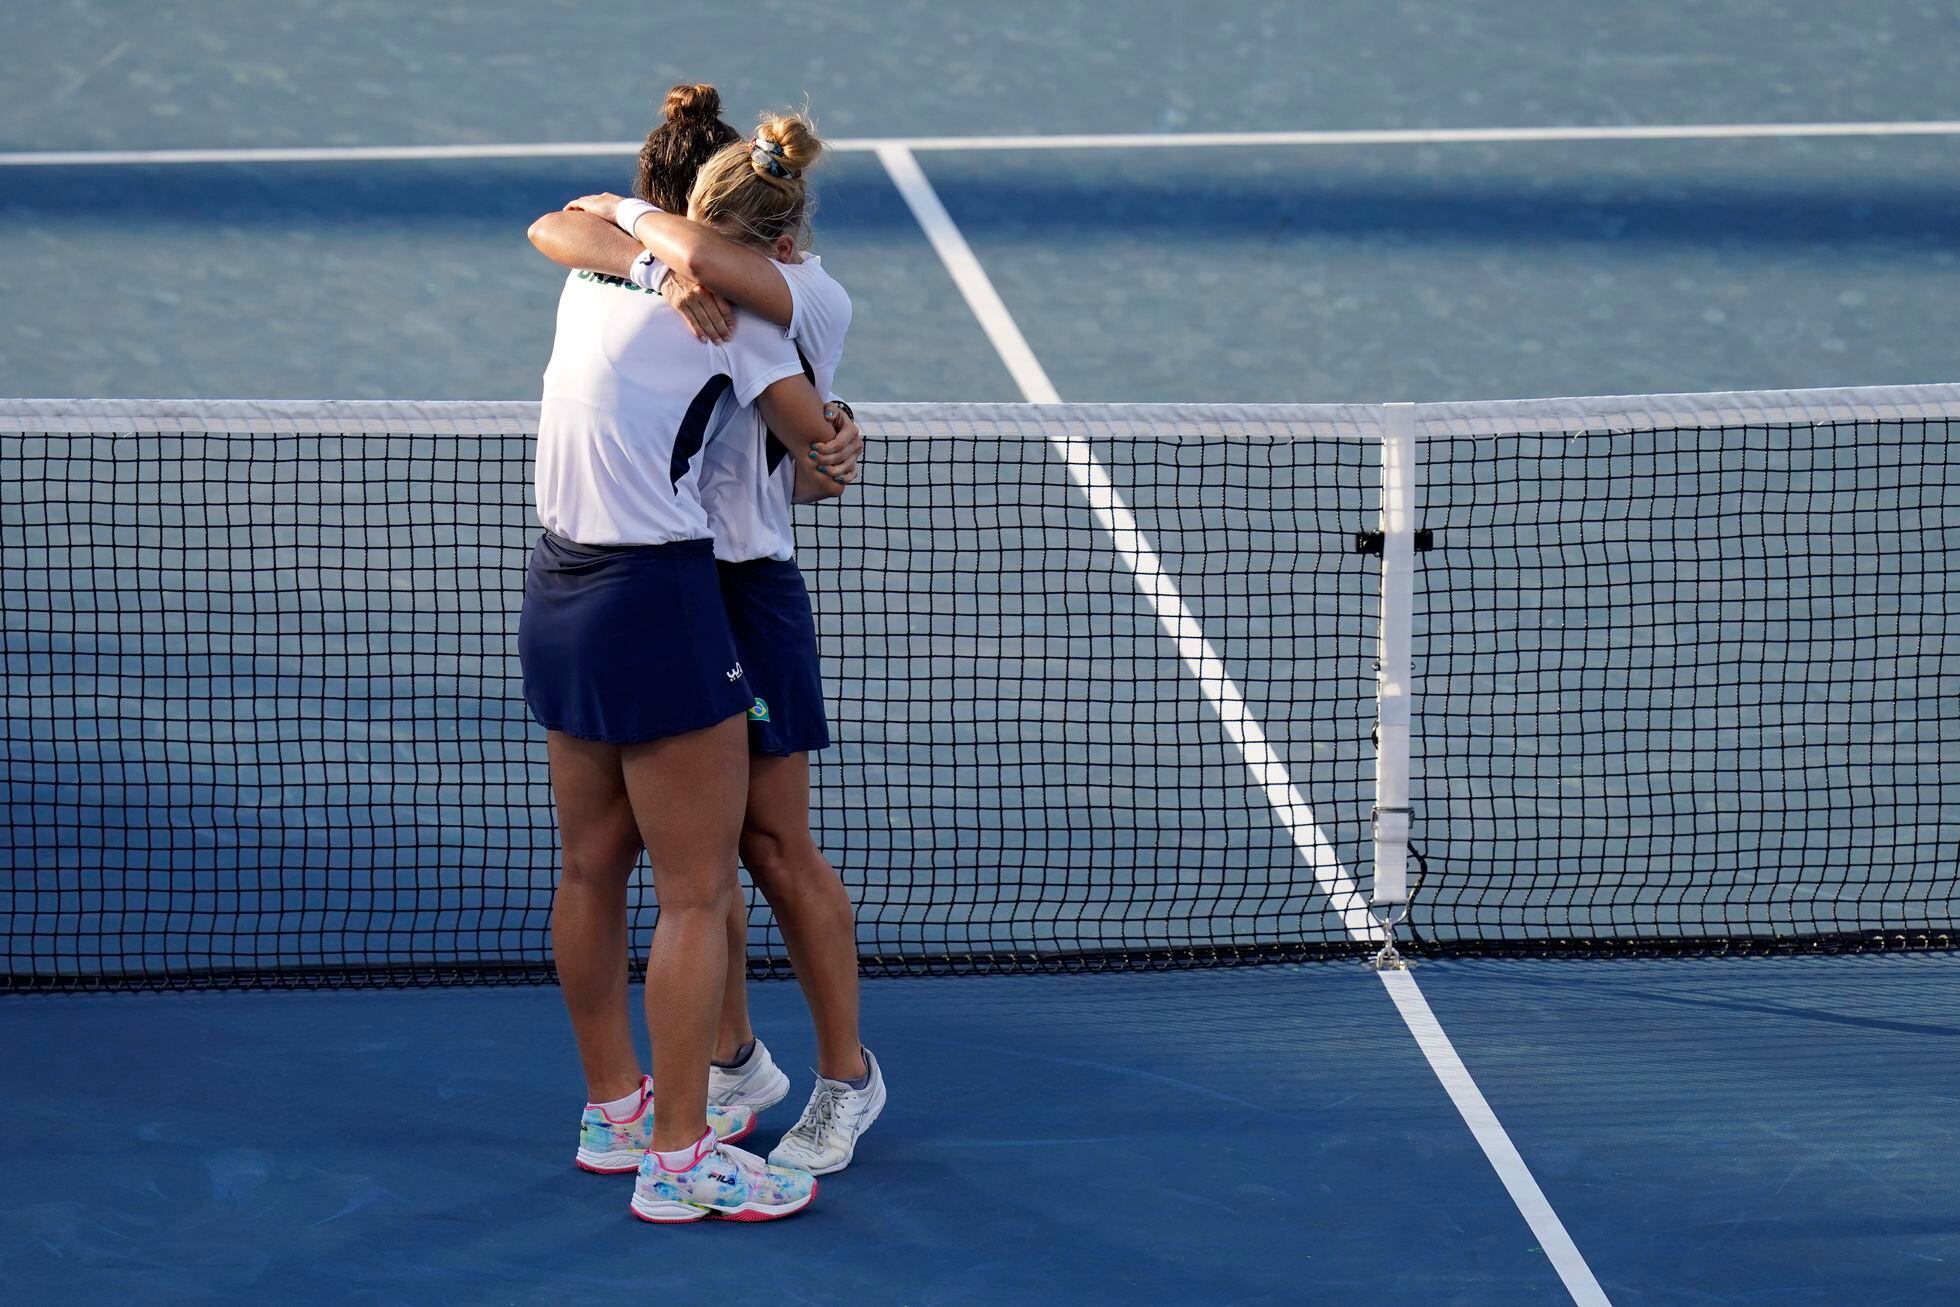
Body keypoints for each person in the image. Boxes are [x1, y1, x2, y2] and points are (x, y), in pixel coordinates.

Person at [530, 91, 884, 1177]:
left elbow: (812, 464)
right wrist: (652, 256)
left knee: (768, 847)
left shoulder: (794, 302)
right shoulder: (674, 264)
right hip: (672, 578)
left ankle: (845, 1080)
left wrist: (658, 247)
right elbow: (568, 223)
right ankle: (729, 1062)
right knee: (701, 860)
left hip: (744, 582)